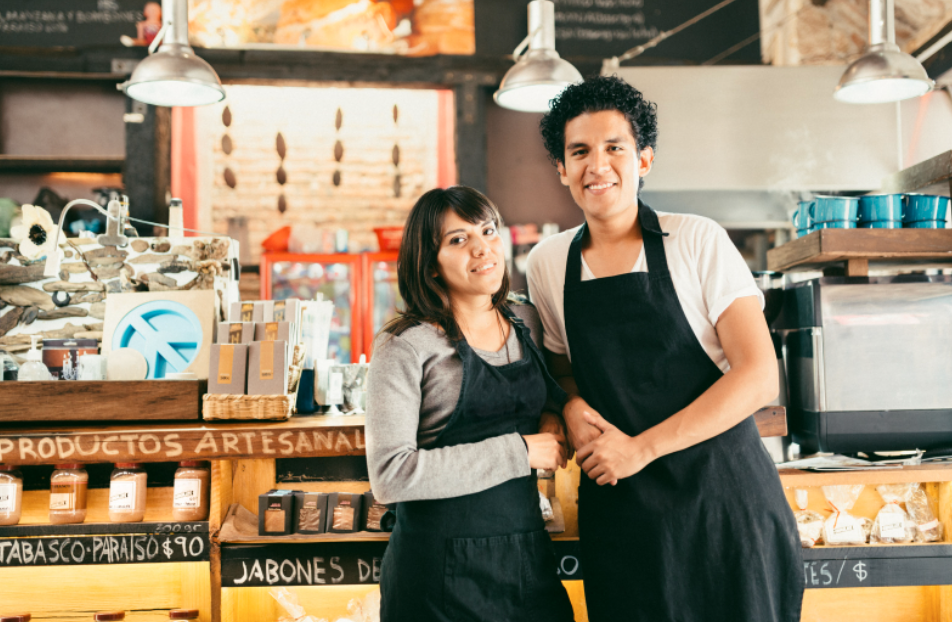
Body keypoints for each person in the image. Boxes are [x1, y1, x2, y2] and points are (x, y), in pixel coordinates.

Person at [526, 75, 803, 622]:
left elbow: (757, 376)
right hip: (623, 513)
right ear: (561, 168)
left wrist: (642, 449)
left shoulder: (696, 240)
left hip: (723, 505)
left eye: (614, 148)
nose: (596, 165)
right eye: (579, 151)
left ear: (644, 160)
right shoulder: (547, 263)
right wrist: (572, 406)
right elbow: (563, 373)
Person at [366, 186, 575, 622]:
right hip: (436, 577)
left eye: (488, 230)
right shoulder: (407, 345)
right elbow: (391, 476)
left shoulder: (527, 322)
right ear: (431, 264)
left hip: (525, 559)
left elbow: (553, 389)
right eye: (458, 240)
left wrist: (555, 415)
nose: (483, 248)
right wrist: (520, 451)